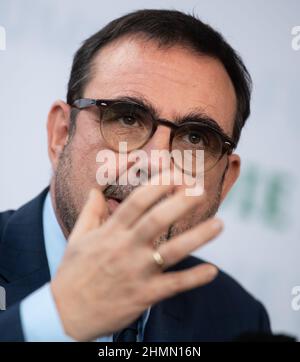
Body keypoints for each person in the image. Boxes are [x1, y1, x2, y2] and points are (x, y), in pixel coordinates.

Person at [0, 9, 271, 341]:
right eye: (126, 118)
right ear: (60, 134)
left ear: (225, 182)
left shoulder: (238, 319)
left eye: (195, 138)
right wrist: (57, 319)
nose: (154, 162)